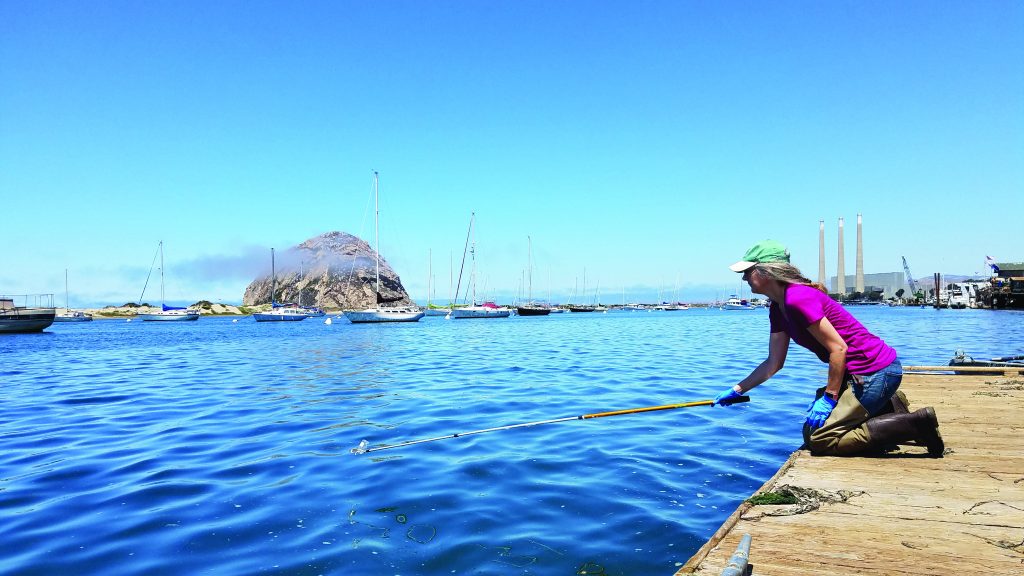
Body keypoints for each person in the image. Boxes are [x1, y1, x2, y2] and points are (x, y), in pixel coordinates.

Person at [713, 240, 944, 457]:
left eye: (747, 271)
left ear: (767, 271)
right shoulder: (778, 308)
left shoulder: (797, 298)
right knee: (810, 432)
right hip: (858, 376)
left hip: (874, 372)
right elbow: (774, 363)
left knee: (821, 440)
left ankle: (915, 425)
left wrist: (830, 398)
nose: (743, 279)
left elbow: (838, 349)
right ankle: (889, 406)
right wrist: (738, 389)